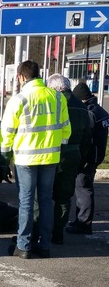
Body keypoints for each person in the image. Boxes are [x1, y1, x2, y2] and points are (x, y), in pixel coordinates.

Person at [0, 60, 71, 259]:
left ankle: (23, 246)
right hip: (50, 157)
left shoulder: (19, 99)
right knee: (46, 201)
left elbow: (6, 132)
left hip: (25, 158)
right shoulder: (57, 98)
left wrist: (4, 157)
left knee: (26, 202)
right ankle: (44, 245)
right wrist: (57, 147)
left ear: (22, 77)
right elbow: (66, 129)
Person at [41, 74, 91, 244]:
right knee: (63, 197)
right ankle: (58, 233)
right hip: (73, 155)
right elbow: (87, 137)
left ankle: (42, 232)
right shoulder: (81, 106)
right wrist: (81, 157)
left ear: (53, 88)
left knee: (45, 195)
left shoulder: (52, 103)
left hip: (51, 153)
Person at [68, 81, 109, 235]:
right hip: (96, 155)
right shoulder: (100, 111)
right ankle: (80, 219)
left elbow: (86, 138)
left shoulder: (89, 112)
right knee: (83, 188)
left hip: (88, 157)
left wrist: (81, 158)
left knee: (83, 189)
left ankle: (83, 224)